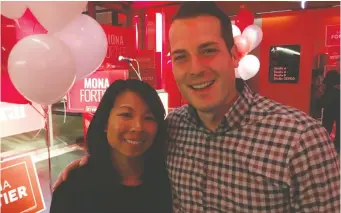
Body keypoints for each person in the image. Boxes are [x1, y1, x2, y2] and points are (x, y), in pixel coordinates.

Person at [53, 2, 340, 212]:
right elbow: (131, 153)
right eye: (181, 56)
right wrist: (87, 167)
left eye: (208, 51)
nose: (195, 69)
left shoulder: (301, 140)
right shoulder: (173, 128)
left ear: (234, 54)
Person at [50, 79, 172, 213]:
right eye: (126, 114)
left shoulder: (169, 183)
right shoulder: (73, 190)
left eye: (149, 118)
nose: (138, 127)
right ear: (105, 123)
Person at [321, 70, 340, 154]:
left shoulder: (328, 89)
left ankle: (324, 144)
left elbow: (324, 101)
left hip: (329, 108)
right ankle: (337, 146)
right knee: (338, 126)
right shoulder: (337, 88)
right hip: (337, 107)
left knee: (326, 126)